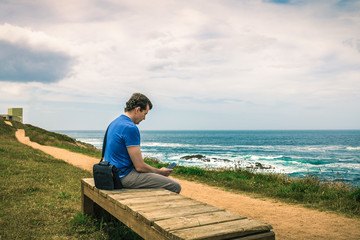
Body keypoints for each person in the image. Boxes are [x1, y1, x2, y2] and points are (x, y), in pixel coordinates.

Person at [104, 93, 181, 193]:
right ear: (137, 110)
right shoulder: (130, 128)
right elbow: (140, 167)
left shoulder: (114, 123)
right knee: (174, 186)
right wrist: (160, 172)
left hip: (112, 174)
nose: (144, 118)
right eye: (145, 114)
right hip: (123, 177)